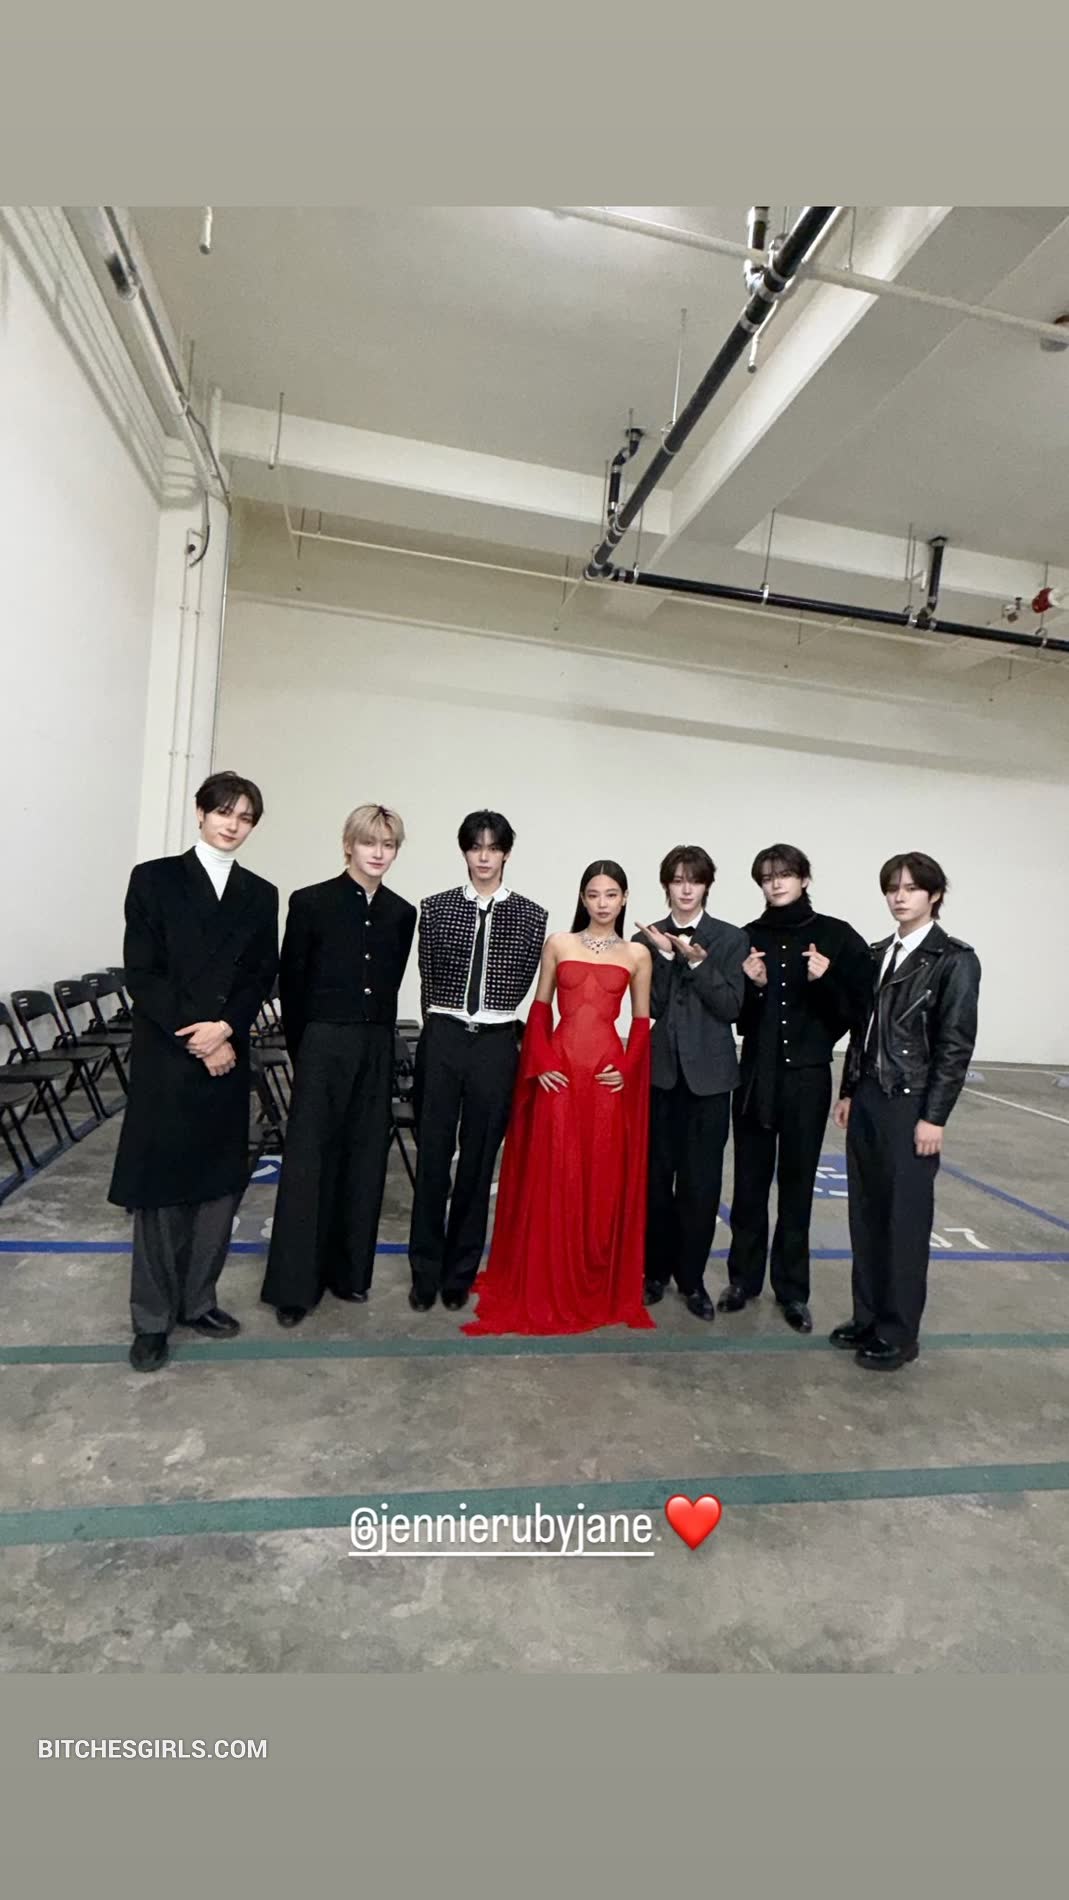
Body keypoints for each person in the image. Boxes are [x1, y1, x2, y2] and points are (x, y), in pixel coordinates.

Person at [109, 771, 279, 1374]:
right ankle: (152, 1319)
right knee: (160, 1191)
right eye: (224, 812)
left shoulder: (260, 893)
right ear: (200, 812)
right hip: (168, 1051)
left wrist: (227, 1028)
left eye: (245, 817)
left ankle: (199, 1300)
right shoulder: (154, 879)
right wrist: (201, 1037)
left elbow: (260, 974)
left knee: (218, 1184)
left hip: (226, 1052)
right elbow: (143, 972)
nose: (233, 825)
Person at [462, 861, 653, 1336]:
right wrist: (542, 1061)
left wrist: (628, 1069)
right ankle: (544, 1277)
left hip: (605, 1077)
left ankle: (592, 1277)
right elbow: (540, 1009)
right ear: (583, 898)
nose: (602, 903)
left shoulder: (637, 954)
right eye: (594, 894)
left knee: (600, 1175)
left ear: (625, 898)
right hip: (559, 1075)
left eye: (611, 894)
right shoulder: (559, 944)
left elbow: (641, 1021)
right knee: (554, 1171)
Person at [261, 804, 415, 1328]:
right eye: (370, 842)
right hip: (322, 1042)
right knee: (309, 1162)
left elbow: (390, 982)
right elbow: (293, 984)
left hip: (375, 1044)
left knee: (365, 1156)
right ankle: (294, 1286)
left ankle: (350, 1272)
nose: (379, 853)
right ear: (349, 844)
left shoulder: (401, 913)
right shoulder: (311, 902)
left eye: (388, 845)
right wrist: (304, 1049)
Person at [830, 851, 980, 1371]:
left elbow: (955, 1046)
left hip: (911, 1100)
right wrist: (850, 1090)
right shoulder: (877, 954)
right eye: (893, 888)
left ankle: (898, 1332)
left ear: (934, 895)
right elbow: (862, 1032)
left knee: (904, 1219)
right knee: (865, 1212)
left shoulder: (953, 960)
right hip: (870, 1096)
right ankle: (867, 1315)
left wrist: (934, 1117)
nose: (900, 897)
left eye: (912, 888)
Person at [718, 843, 871, 1333]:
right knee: (749, 1183)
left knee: (798, 1185)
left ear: (804, 878)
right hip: (755, 1077)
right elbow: (738, 1020)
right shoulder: (747, 938)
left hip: (807, 1078)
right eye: (767, 878)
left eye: (784, 874)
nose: (776, 884)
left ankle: (792, 1291)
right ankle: (742, 1281)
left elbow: (858, 1012)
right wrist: (754, 986)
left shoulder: (836, 935)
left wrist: (825, 980)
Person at [408, 811, 547, 1312]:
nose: (484, 857)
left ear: (506, 852)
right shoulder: (436, 908)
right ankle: (424, 1271)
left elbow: (526, 980)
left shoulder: (532, 916)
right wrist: (440, 1029)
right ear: (464, 851)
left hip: (495, 1040)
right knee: (432, 1156)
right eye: (475, 847)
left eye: (493, 848)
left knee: (480, 1157)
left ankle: (459, 1273)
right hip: (444, 1035)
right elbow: (427, 978)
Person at [633, 846, 747, 1321]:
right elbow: (654, 1006)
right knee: (657, 1181)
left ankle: (692, 1279)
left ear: (706, 886)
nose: (685, 889)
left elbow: (732, 1007)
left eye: (694, 880)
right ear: (666, 885)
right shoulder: (648, 939)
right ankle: (653, 1272)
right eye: (677, 880)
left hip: (710, 1080)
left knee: (701, 1185)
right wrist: (663, 957)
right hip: (661, 1076)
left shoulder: (731, 938)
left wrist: (697, 965)